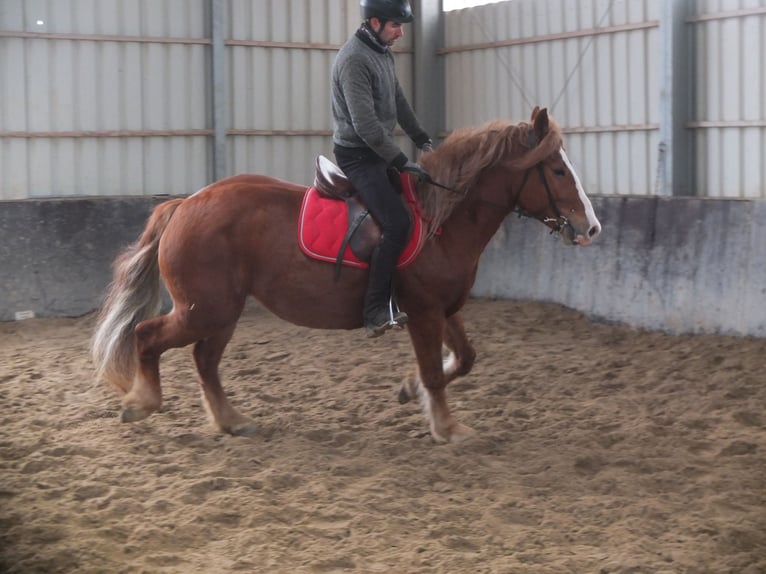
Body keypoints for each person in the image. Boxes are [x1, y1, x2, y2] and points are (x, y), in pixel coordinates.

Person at [331, 0, 433, 338]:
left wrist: (423, 139)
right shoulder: (353, 60)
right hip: (358, 155)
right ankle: (375, 309)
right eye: (395, 26)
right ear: (374, 22)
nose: (401, 32)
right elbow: (367, 128)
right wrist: (402, 161)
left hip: (377, 151)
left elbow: (399, 101)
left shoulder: (383, 52)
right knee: (397, 222)